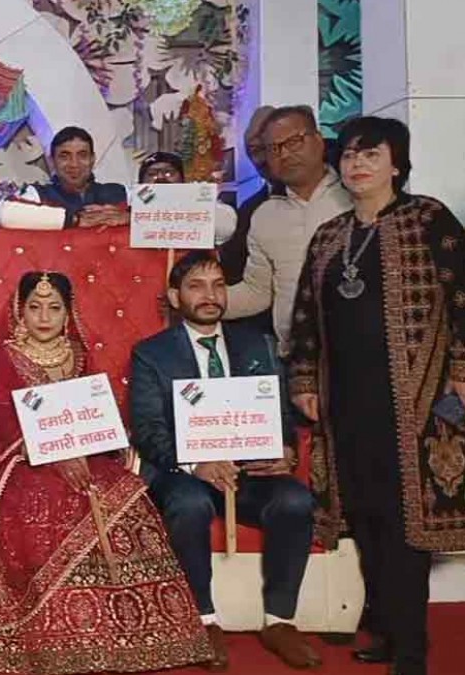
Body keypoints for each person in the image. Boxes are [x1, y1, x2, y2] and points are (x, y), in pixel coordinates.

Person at [0, 270, 211, 673]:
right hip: (26, 460)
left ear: (68, 313)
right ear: (19, 312)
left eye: (54, 308)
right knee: (42, 508)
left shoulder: (77, 352)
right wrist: (52, 453)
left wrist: (94, 443)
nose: (44, 317)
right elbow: (1, 421)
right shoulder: (8, 355)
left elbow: (91, 411)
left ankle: (122, 629)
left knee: (126, 503)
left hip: (84, 457)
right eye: (34, 307)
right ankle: (53, 634)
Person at [288, 116, 465, 675]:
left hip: (416, 399)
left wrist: (462, 368)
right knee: (364, 517)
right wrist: (304, 379)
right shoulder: (329, 236)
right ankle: (386, 630)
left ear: (396, 163)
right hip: (346, 401)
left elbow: (462, 297)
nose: (357, 164)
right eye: (349, 155)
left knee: (405, 523)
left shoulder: (429, 219)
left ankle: (411, 650)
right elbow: (305, 316)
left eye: (371, 154)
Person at [130, 251, 320, 671]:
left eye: (218, 285)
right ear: (175, 296)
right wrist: (196, 465)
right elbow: (148, 430)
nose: (210, 295)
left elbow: (281, 414)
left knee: (295, 500)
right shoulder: (151, 354)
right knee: (190, 503)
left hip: (248, 472)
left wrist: (285, 449)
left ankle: (279, 620)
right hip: (185, 474)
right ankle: (204, 620)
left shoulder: (258, 343)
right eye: (196, 286)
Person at [221, 106, 352, 352]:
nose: (284, 154)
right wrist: (199, 299)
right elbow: (257, 292)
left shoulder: (356, 197)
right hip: (295, 356)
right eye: (273, 148)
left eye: (294, 142)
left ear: (318, 140)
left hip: (359, 353)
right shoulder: (264, 215)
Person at [220, 105, 277, 284]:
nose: (260, 159)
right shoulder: (249, 209)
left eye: (267, 147)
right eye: (253, 150)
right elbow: (233, 268)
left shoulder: (338, 188)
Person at [31, 126, 128, 228]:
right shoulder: (38, 195)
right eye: (64, 156)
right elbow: (18, 214)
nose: (74, 164)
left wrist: (128, 217)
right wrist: (72, 220)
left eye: (82, 155)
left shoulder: (119, 192)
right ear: (52, 161)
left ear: (92, 159)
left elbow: (140, 211)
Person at [136, 151, 237, 245]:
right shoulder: (130, 212)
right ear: (141, 182)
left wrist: (190, 205)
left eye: (169, 172)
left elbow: (226, 229)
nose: (161, 177)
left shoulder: (203, 206)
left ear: (183, 179)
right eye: (152, 174)